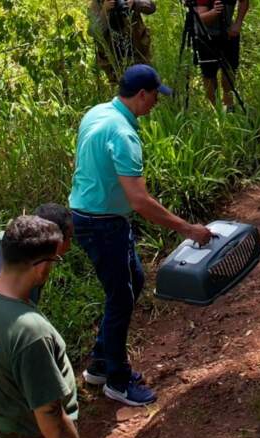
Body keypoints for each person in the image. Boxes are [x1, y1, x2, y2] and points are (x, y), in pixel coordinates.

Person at [69, 64, 212, 406]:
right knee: (121, 297)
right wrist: (188, 229)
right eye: (155, 96)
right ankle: (117, 381)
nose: (156, 103)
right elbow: (140, 201)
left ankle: (101, 364)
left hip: (88, 214)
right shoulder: (123, 134)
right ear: (142, 94)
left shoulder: (98, 112)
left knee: (132, 280)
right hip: (103, 223)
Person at [0, 215, 85, 438]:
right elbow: (51, 417)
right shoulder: (30, 332)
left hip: (2, 432)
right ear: (41, 267)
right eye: (54, 260)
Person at [0, 203, 74, 303]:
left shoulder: (15, 238)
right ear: (55, 238)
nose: (69, 246)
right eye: (69, 238)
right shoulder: (25, 266)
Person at [194, 0, 250, 110]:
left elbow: (244, 1)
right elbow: (201, 18)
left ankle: (228, 103)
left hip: (228, 33)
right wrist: (213, 13)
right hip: (205, 35)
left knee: (230, 68)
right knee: (209, 73)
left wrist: (238, 23)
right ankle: (214, 108)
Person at [89, 0, 157, 82]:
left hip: (138, 52)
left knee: (145, 82)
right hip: (114, 59)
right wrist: (104, 10)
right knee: (121, 85)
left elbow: (151, 7)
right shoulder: (97, 4)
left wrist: (135, 3)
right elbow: (94, 32)